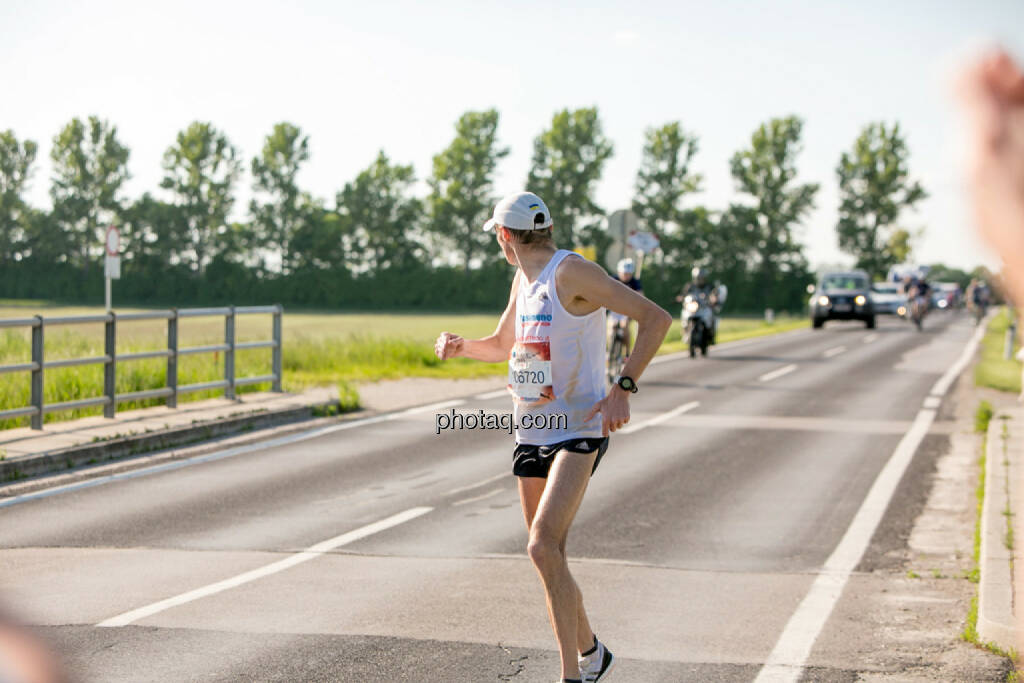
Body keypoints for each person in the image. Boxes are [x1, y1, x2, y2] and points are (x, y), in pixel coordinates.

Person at [434, 191, 672, 683]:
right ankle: (591, 653)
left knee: (541, 546)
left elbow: (656, 318)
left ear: (504, 235)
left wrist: (622, 388)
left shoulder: (571, 272)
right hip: (530, 428)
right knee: (550, 557)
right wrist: (461, 347)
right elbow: (504, 345)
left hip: (579, 427)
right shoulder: (523, 278)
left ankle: (570, 675)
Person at [606, 258, 643, 358]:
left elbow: (640, 295)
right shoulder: (613, 279)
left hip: (627, 311)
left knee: (624, 326)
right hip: (614, 309)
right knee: (611, 327)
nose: (626, 276)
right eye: (624, 273)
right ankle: (610, 350)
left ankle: (627, 352)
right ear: (619, 272)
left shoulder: (635, 282)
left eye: (628, 274)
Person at [675, 266, 722, 343]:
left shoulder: (709, 286)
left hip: (705, 307)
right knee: (684, 316)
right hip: (693, 308)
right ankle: (685, 333)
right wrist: (680, 297)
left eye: (701, 278)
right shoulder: (689, 286)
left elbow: (714, 293)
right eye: (698, 278)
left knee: (713, 318)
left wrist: (714, 298)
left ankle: (711, 335)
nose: (700, 280)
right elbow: (684, 294)